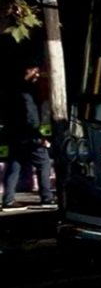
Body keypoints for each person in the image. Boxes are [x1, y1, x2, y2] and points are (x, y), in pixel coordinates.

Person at [1, 55, 55, 210]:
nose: (38, 75)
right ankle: (47, 198)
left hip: (14, 133)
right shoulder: (27, 91)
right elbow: (30, 117)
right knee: (43, 163)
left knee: (14, 164)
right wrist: (39, 137)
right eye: (36, 71)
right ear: (29, 70)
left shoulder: (9, 88)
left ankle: (9, 200)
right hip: (29, 134)